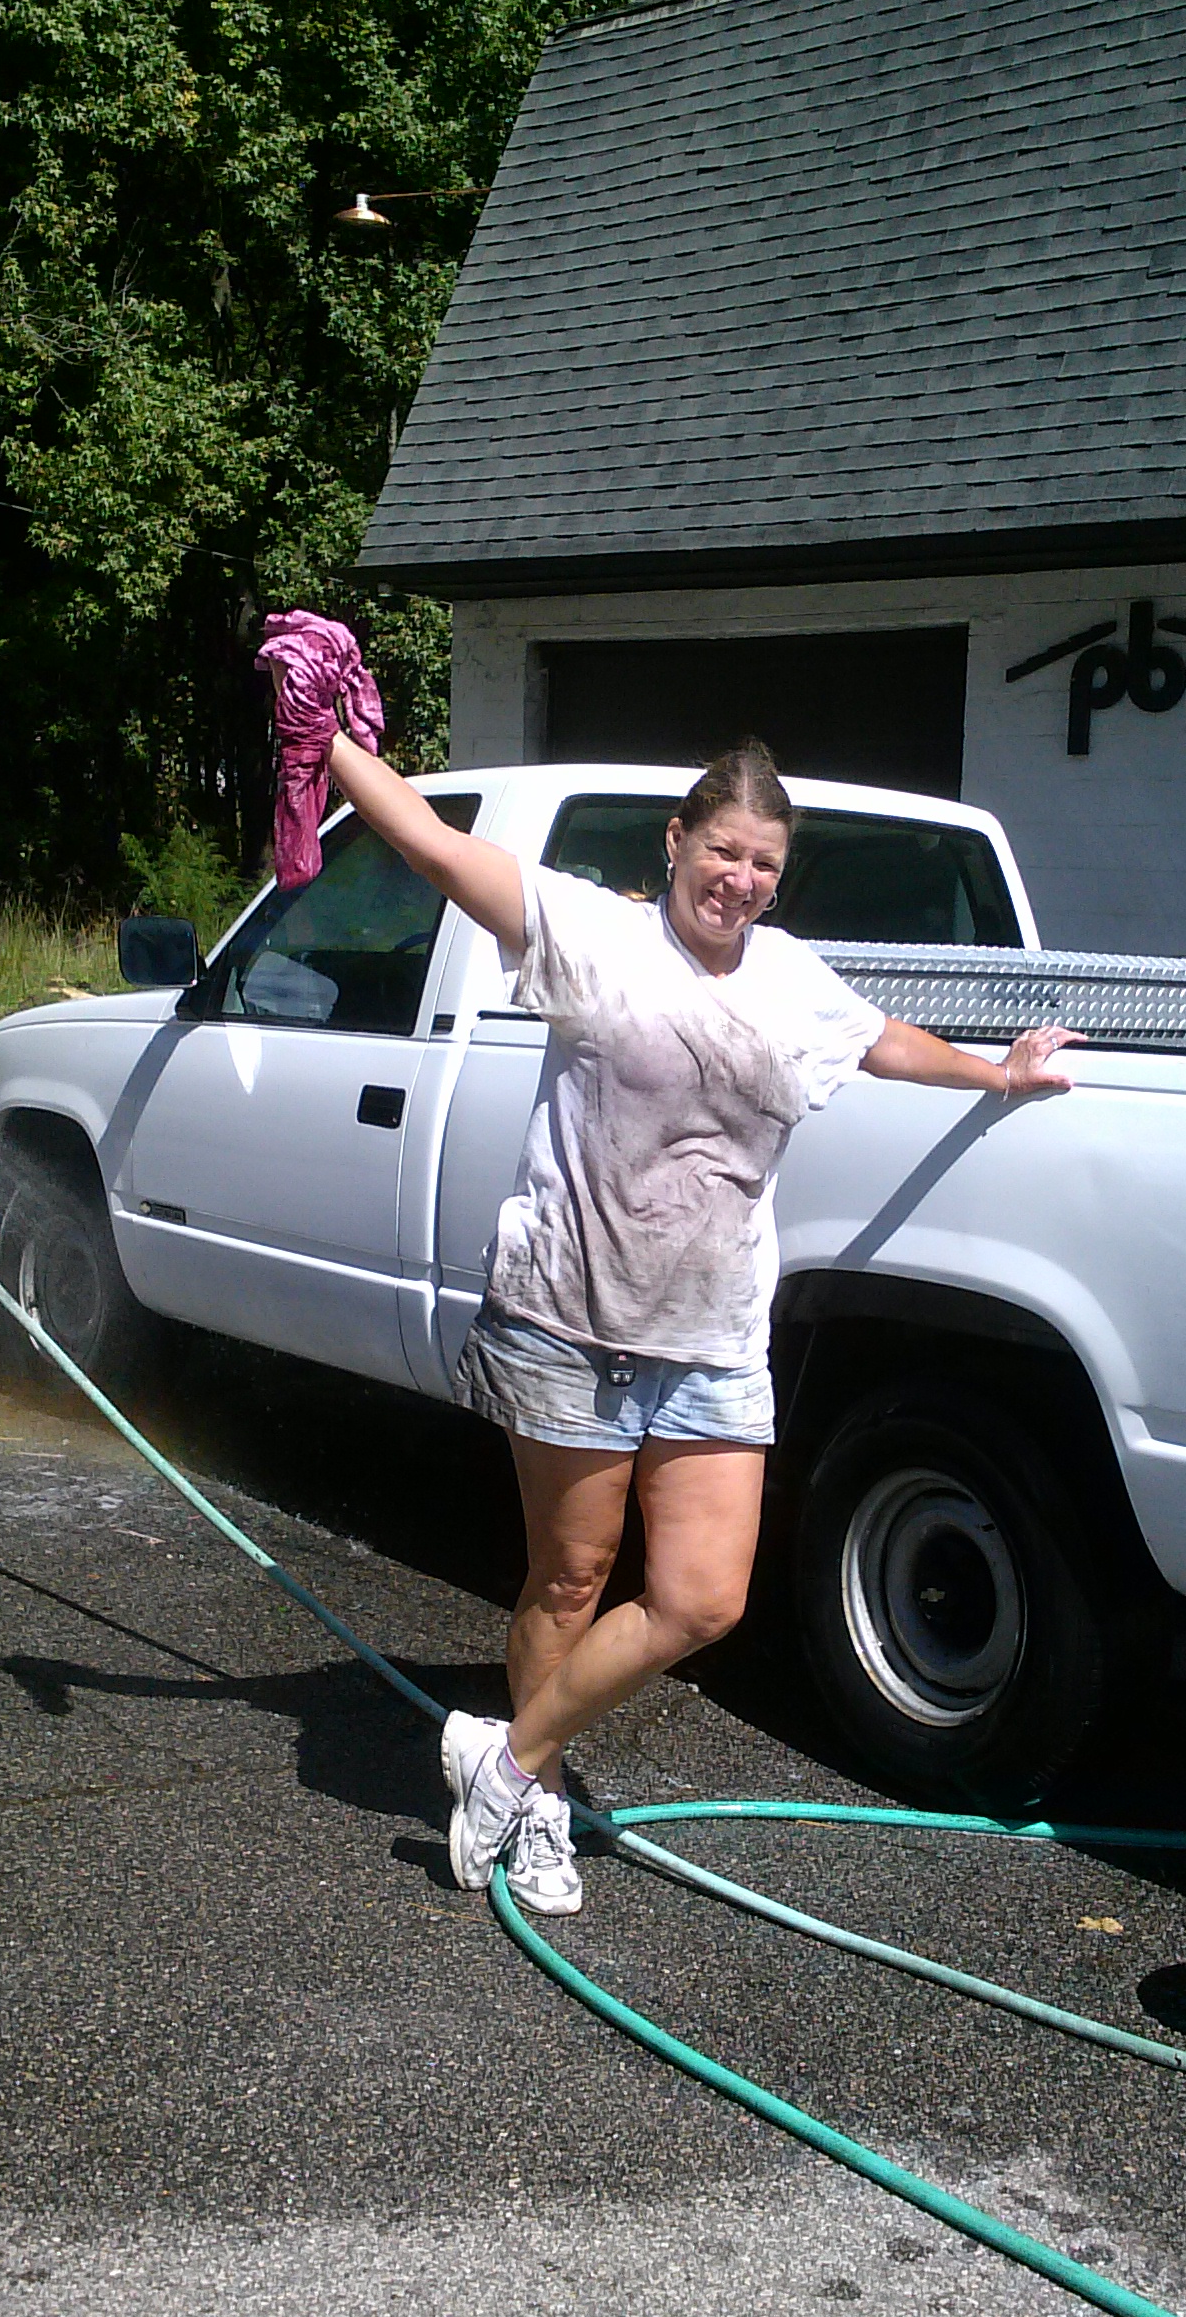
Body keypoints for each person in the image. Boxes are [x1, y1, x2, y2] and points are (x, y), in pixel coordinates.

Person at [323, 728, 1077, 1915]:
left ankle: (504, 1756)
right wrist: (331, 747)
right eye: (724, 849)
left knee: (704, 1597)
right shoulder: (593, 935)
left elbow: (877, 1041)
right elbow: (430, 843)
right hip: (572, 1314)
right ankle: (543, 1805)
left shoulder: (790, 978)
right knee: (569, 1581)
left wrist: (998, 1072)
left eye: (765, 863)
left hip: (716, 1336)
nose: (741, 878)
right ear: (676, 842)